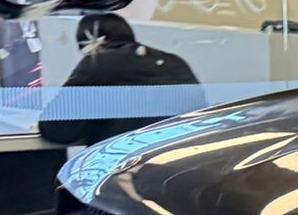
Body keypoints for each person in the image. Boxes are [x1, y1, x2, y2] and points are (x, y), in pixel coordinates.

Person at [38, 13, 205, 146]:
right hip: (181, 162)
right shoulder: (175, 61)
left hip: (127, 168)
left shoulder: (99, 63)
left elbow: (56, 129)